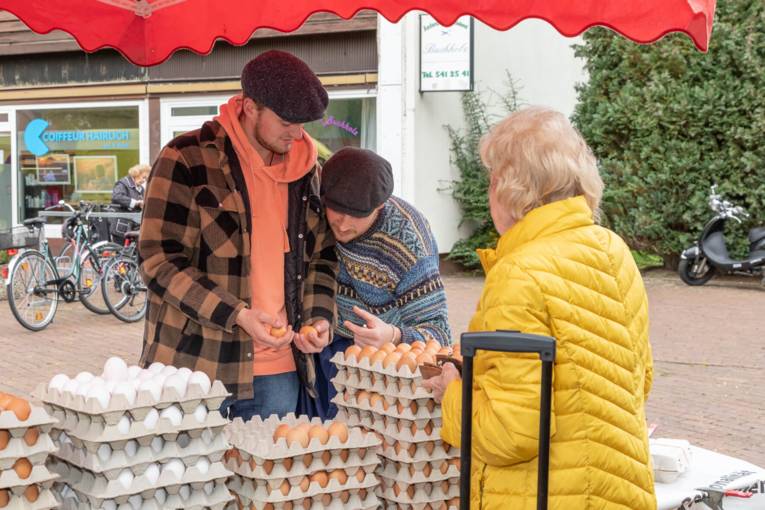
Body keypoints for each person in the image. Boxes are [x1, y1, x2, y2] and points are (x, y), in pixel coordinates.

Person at [423, 107, 656, 509]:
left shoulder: (518, 272)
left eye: (491, 178)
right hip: (616, 489)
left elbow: (510, 434)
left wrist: (453, 392)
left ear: (507, 186)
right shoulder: (613, 249)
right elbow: (638, 378)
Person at [138, 50, 338, 420]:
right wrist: (238, 314)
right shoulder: (186, 159)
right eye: (287, 121)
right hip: (194, 367)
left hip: (280, 373)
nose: (297, 134)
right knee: (194, 479)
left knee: (268, 478)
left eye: (303, 124)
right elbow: (157, 260)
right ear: (249, 106)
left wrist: (319, 317)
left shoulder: (308, 172)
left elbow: (323, 257)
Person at [314, 147, 451, 418]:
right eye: (336, 211)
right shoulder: (318, 212)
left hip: (387, 362)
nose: (342, 224)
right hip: (329, 345)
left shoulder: (408, 243)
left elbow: (439, 333)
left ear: (380, 206)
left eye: (356, 214)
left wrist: (393, 335)